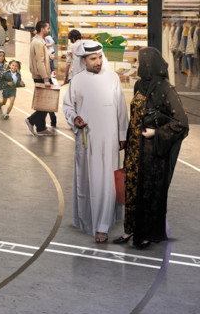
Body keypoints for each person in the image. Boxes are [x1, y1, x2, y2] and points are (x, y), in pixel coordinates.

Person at [118, 48, 189, 249]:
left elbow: (181, 122)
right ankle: (130, 229)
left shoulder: (166, 89)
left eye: (142, 63)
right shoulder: (140, 85)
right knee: (132, 189)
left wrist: (156, 134)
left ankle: (146, 233)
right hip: (134, 150)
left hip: (152, 153)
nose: (140, 67)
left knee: (148, 193)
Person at [63, 40, 127, 242]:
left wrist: (122, 135)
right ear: (84, 60)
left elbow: (121, 109)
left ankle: (102, 227)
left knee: (108, 181)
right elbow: (68, 107)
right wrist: (75, 118)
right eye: (93, 59)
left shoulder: (112, 78)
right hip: (87, 139)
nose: (98, 62)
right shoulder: (77, 80)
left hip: (109, 141)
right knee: (91, 181)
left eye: (100, 57)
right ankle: (89, 220)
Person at [26, 20, 56, 136]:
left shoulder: (38, 41)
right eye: (48, 28)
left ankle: (41, 128)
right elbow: (40, 62)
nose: (49, 30)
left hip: (40, 75)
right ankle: (31, 120)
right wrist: (46, 78)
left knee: (44, 102)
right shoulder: (38, 43)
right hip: (41, 76)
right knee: (46, 103)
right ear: (42, 29)